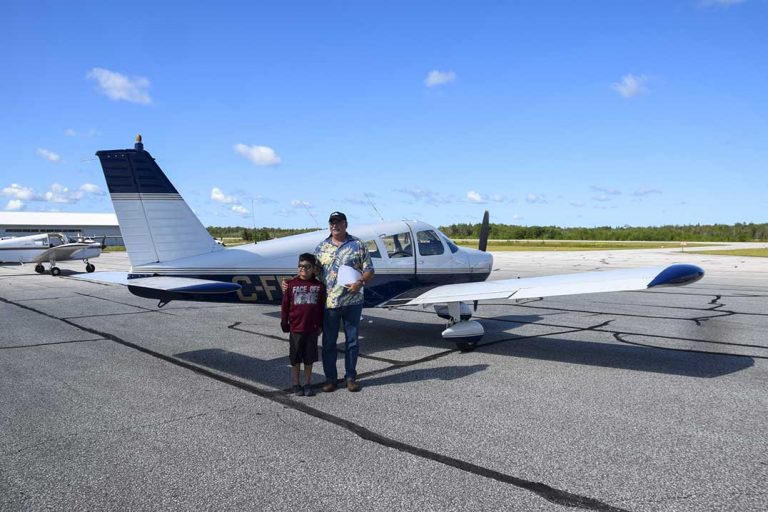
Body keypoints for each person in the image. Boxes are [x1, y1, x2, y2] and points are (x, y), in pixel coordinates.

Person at [314, 211, 374, 392]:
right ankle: (330, 379)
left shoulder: (358, 245)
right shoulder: (321, 247)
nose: (335, 225)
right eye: (332, 222)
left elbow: (370, 269)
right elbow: (313, 272)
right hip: (330, 303)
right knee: (329, 343)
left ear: (346, 224)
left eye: (338, 222)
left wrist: (360, 282)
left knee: (352, 342)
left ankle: (350, 378)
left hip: (353, 301)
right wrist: (291, 282)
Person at [281, 253, 326, 397]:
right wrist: (284, 322)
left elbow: (321, 308)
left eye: (307, 267)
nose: (303, 269)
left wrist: (320, 325)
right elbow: (285, 306)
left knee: (309, 358)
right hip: (296, 328)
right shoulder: (291, 285)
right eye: (300, 266)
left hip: (312, 329)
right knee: (295, 358)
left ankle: (307, 383)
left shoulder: (319, 286)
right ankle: (296, 383)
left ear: (314, 269)